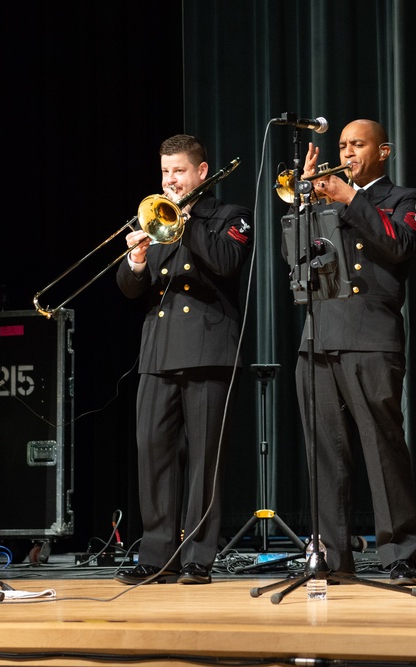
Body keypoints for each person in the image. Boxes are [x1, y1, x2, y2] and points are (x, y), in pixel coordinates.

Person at [293, 119, 416, 585]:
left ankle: (399, 554)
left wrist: (351, 198)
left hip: (371, 336)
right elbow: (297, 259)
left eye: (358, 145)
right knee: (326, 453)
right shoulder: (325, 199)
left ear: (383, 151)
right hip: (318, 336)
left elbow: (398, 245)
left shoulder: (405, 199)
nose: (347, 153)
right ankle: (332, 554)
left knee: (382, 446)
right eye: (343, 146)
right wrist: (304, 198)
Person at [115, 134, 252, 585]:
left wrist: (187, 220)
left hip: (209, 348)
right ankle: (157, 554)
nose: (170, 180)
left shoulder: (228, 216)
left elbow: (226, 263)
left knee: (204, 460)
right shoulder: (154, 218)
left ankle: (198, 556)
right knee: (152, 454)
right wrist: (135, 261)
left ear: (201, 173)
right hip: (158, 349)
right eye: (165, 172)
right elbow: (132, 288)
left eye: (178, 171)